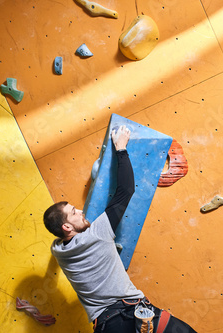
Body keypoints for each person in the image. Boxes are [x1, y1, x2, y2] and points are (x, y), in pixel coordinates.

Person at [43, 125, 196, 333]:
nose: (80, 211)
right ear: (67, 226)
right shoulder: (97, 233)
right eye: (73, 212)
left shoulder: (58, 250)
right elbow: (125, 190)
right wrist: (121, 148)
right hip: (129, 313)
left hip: (106, 327)